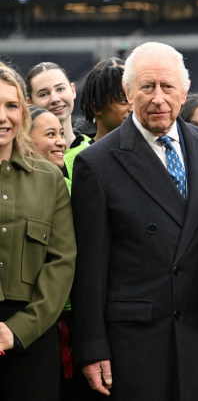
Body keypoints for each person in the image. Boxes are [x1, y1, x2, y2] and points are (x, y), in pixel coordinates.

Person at [70, 41, 198, 400]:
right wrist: (91, 345)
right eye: (147, 87)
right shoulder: (96, 163)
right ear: (129, 92)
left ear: (184, 91)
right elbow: (89, 267)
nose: (158, 98)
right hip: (139, 342)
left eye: (168, 86)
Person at [0, 63, 76, 399]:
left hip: (32, 337)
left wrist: (18, 330)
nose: (3, 117)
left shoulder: (49, 179)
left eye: (11, 106)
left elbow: (61, 262)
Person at [63, 64, 131, 186]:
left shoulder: (148, 150)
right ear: (97, 106)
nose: (132, 108)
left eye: (134, 100)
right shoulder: (73, 160)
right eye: (124, 101)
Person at [26, 62, 77, 145]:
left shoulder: (92, 149)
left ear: (73, 90)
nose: (54, 99)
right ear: (30, 103)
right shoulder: (23, 154)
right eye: (43, 94)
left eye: (60, 89)